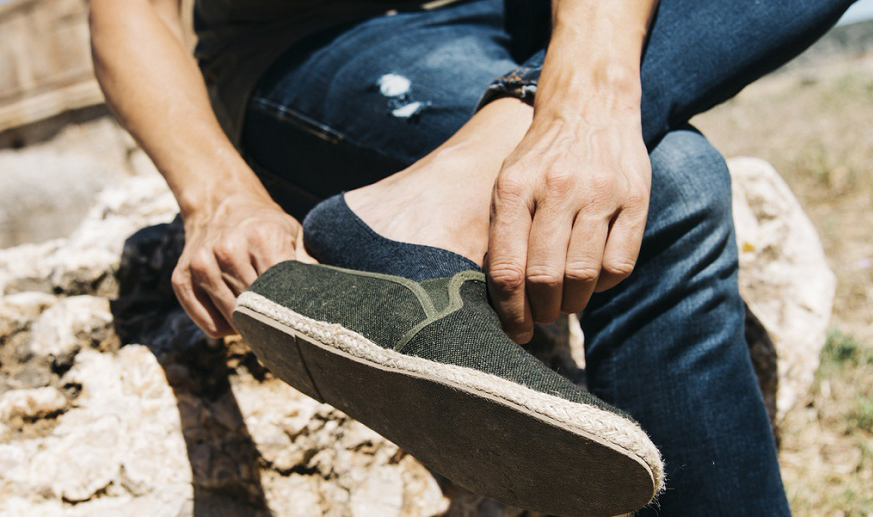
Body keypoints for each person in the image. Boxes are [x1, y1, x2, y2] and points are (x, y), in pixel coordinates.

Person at [90, 0, 856, 514]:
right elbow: (132, 13)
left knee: (627, 172)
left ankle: (452, 179)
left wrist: (583, 100)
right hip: (320, 44)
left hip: (542, 15)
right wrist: (218, 195)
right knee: (674, 183)